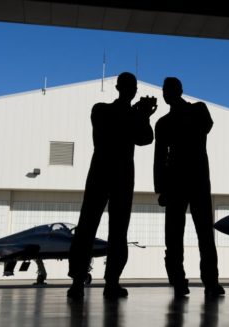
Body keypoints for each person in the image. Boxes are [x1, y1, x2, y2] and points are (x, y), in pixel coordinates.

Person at [67, 72, 156, 300]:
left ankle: (81, 282)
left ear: (118, 87)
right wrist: (141, 114)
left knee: (91, 226)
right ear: (129, 89)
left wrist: (142, 115)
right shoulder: (104, 110)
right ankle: (109, 283)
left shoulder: (104, 110)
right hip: (118, 175)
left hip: (102, 172)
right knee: (112, 229)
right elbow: (142, 137)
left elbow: (146, 138)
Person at [154, 77, 225, 297]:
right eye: (165, 91)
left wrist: (161, 189)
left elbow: (160, 159)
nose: (166, 94)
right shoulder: (170, 121)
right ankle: (195, 281)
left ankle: (198, 281)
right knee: (185, 235)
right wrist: (161, 189)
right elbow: (159, 158)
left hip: (189, 182)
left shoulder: (187, 114)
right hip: (191, 182)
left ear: (177, 91)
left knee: (190, 234)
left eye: (168, 90)